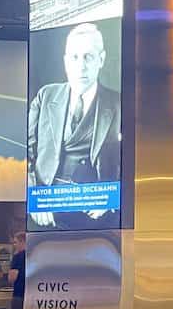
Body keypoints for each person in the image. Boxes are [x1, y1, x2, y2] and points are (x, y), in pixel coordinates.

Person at [27, 21, 121, 227]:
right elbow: (26, 153)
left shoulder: (118, 104)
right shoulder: (45, 96)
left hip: (95, 216)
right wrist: (35, 199)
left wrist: (109, 201)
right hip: (46, 212)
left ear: (101, 59)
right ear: (65, 61)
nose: (81, 65)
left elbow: (128, 162)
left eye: (88, 56)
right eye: (74, 57)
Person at [8, 230, 26, 309]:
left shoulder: (17, 257)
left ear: (22, 242)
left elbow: (12, 278)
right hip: (30, 297)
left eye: (15, 242)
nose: (14, 245)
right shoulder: (34, 256)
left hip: (18, 296)